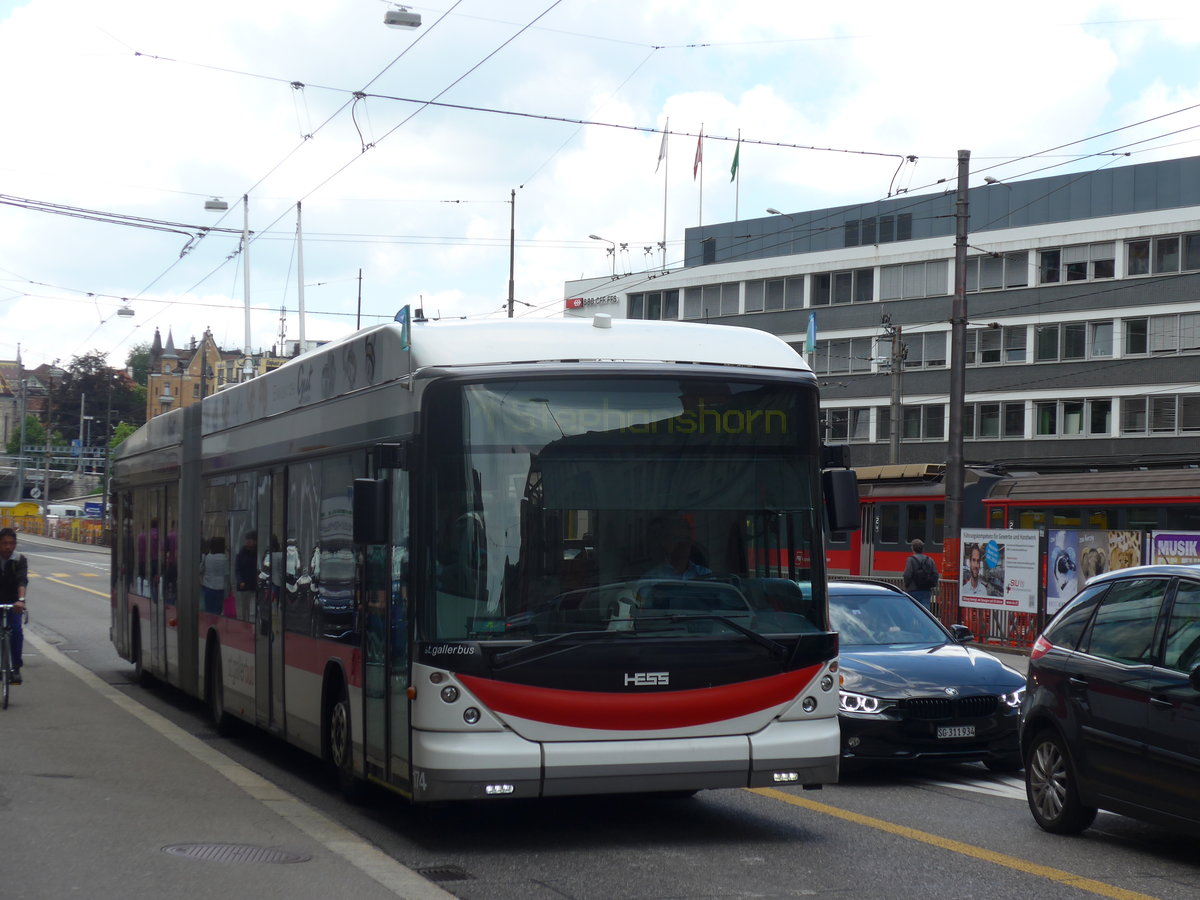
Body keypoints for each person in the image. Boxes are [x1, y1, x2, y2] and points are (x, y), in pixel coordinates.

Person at [0, 527, 29, 684]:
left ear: (15, 544)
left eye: (11, 543)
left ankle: (16, 668)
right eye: (4, 543)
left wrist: (21, 600)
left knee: (16, 632)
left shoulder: (19, 559)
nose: (7, 547)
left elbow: (22, 580)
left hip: (13, 602)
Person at [643, 540, 712, 580]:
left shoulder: (705, 574)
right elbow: (641, 601)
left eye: (686, 541)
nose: (682, 546)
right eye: (678, 541)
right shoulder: (653, 576)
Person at [902, 538, 936, 611]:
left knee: (911, 611)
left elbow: (907, 574)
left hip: (913, 589)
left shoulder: (911, 560)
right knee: (925, 612)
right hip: (926, 590)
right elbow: (935, 574)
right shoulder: (929, 559)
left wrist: (906, 585)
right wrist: (932, 584)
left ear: (913, 548)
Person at [234, 530, 258, 620]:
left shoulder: (257, 553)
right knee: (244, 608)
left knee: (252, 610)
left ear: (255, 541)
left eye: (250, 539)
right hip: (243, 587)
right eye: (247, 539)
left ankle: (251, 625)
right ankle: (245, 625)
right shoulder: (241, 553)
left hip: (254, 586)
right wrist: (240, 581)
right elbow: (237, 569)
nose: (248, 541)